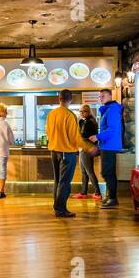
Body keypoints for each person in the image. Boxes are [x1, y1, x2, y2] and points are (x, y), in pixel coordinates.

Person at [45, 88, 81, 218]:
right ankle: (60, 209)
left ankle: (57, 206)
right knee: (65, 182)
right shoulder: (70, 115)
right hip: (67, 152)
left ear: (59, 99)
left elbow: (48, 132)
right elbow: (74, 137)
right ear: (70, 99)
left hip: (54, 151)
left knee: (58, 180)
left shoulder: (51, 114)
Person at [97, 88, 124, 208]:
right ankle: (110, 197)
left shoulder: (112, 110)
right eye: (100, 96)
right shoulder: (109, 109)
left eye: (103, 96)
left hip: (110, 146)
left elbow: (112, 130)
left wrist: (98, 136)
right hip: (107, 145)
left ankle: (112, 198)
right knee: (107, 172)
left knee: (108, 172)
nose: (101, 98)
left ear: (110, 96)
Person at [75, 103, 101, 200]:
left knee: (89, 171)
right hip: (85, 149)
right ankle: (83, 192)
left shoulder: (88, 122)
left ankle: (97, 193)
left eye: (83, 111)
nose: (81, 113)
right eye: (80, 111)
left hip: (86, 149)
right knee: (84, 171)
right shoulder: (87, 121)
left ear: (88, 112)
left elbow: (82, 135)